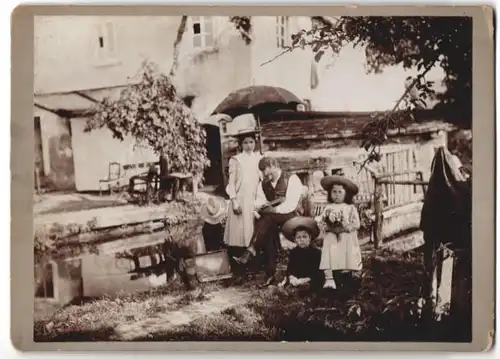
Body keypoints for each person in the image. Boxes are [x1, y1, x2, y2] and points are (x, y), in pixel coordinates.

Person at [233, 157, 306, 288]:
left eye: (269, 172)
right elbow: (259, 201)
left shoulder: (291, 179)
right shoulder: (263, 184)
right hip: (272, 218)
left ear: (274, 165)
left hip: (292, 215)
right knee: (268, 230)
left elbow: (291, 204)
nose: (267, 176)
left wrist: (274, 209)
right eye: (264, 173)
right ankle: (270, 273)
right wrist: (259, 207)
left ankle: (251, 250)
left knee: (268, 219)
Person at [317, 175, 362, 290]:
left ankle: (346, 277)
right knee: (332, 255)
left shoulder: (350, 208)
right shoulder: (328, 208)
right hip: (331, 237)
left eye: (340, 192)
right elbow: (321, 221)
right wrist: (327, 227)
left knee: (345, 255)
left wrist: (346, 227)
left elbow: (356, 223)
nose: (337, 195)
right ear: (330, 193)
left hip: (345, 237)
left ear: (346, 193)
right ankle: (331, 279)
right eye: (334, 192)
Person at [223, 130, 262, 250]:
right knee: (240, 228)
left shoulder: (259, 158)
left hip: (256, 196)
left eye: (251, 142)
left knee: (255, 226)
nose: (249, 145)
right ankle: (239, 254)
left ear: (255, 143)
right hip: (241, 197)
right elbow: (232, 182)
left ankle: (255, 253)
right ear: (241, 145)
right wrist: (234, 201)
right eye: (245, 142)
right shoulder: (236, 159)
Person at [278, 216, 324, 290]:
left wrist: (304, 280)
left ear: (310, 238)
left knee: (311, 285)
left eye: (304, 237)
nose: (301, 240)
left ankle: (302, 291)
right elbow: (290, 269)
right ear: (294, 240)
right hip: (297, 279)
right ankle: (287, 291)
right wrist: (292, 277)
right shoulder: (294, 252)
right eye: (298, 237)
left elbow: (318, 273)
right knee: (290, 284)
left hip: (310, 279)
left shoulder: (316, 253)